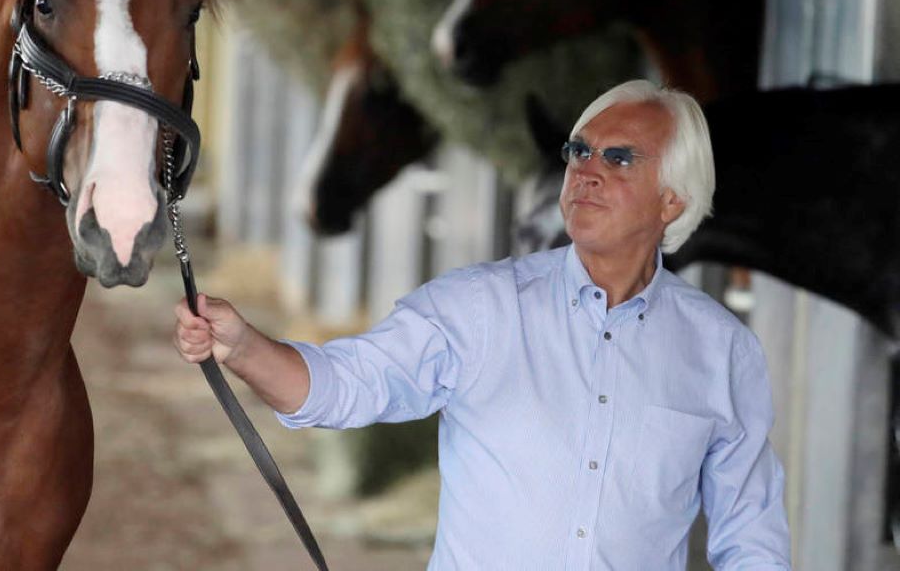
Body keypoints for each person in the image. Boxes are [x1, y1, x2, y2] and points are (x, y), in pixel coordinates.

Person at [175, 80, 791, 569]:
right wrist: (245, 347)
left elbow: (750, 532)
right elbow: (342, 386)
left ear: (673, 200)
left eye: (620, 158)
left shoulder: (722, 350)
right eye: (579, 151)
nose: (586, 170)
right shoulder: (479, 308)